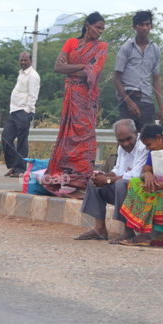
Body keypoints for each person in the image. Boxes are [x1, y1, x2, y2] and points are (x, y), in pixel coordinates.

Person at [41, 12, 108, 197]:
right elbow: (58, 67)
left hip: (87, 99)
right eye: (98, 27)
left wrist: (73, 69)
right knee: (68, 136)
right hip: (71, 97)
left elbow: (93, 72)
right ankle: (65, 179)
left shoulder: (101, 47)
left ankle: (81, 183)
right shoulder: (71, 42)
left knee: (85, 137)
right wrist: (82, 67)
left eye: (102, 28)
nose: (100, 31)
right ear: (88, 25)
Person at [74, 119, 148, 242]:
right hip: (125, 188)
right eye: (121, 141)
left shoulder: (143, 145)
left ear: (136, 133)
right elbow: (118, 170)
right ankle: (100, 229)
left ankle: (128, 232)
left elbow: (135, 175)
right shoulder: (122, 148)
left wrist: (108, 180)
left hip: (139, 190)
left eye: (128, 139)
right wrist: (102, 176)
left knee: (121, 184)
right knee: (94, 182)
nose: (125, 143)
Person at [114, 10, 163, 132]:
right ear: (134, 27)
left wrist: (161, 107)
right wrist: (129, 102)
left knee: (145, 142)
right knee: (127, 139)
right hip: (127, 101)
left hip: (147, 101)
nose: (144, 28)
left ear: (151, 26)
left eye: (147, 24)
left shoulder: (155, 50)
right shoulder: (126, 48)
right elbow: (116, 79)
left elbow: (156, 80)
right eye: (141, 25)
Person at [1, 51, 41, 177]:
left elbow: (33, 95)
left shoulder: (33, 75)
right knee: (6, 138)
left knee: (22, 141)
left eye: (26, 60)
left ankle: (20, 169)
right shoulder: (21, 73)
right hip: (14, 111)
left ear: (31, 61)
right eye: (21, 60)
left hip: (23, 111)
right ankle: (15, 165)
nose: (23, 62)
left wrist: (27, 111)